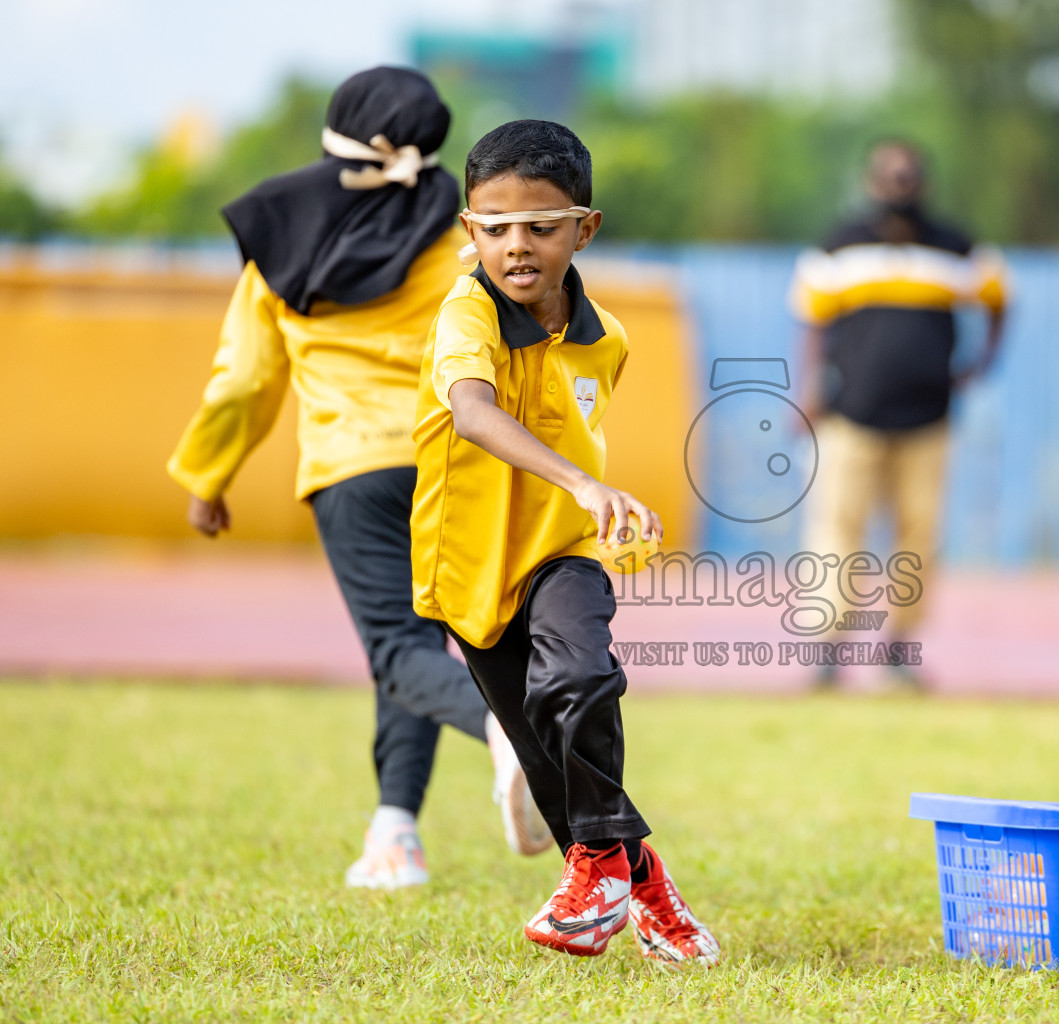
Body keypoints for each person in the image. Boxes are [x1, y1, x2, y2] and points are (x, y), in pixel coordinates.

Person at [166, 66, 551, 890]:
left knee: (397, 651)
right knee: (426, 645)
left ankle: (505, 731)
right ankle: (394, 835)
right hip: (454, 460)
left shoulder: (282, 234)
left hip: (351, 469)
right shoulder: (464, 237)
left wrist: (208, 473)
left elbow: (244, 378)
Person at [410, 119, 718, 965]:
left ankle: (602, 874)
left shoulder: (606, 339)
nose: (516, 246)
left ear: (584, 228)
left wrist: (592, 499)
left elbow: (579, 431)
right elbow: (472, 413)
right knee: (550, 763)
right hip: (468, 568)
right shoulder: (461, 318)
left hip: (564, 548)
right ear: (469, 230)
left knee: (580, 678)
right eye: (494, 227)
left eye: (540, 227)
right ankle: (646, 887)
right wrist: (583, 479)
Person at [790, 139, 1010, 691]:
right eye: (890, 176)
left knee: (917, 537)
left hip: (928, 419)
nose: (899, 185)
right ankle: (829, 654)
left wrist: (981, 363)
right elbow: (811, 320)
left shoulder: (957, 248)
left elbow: (1001, 297)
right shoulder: (839, 246)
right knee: (837, 531)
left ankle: (898, 652)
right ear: (872, 182)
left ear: (923, 184)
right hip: (851, 416)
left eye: (908, 176)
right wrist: (809, 391)